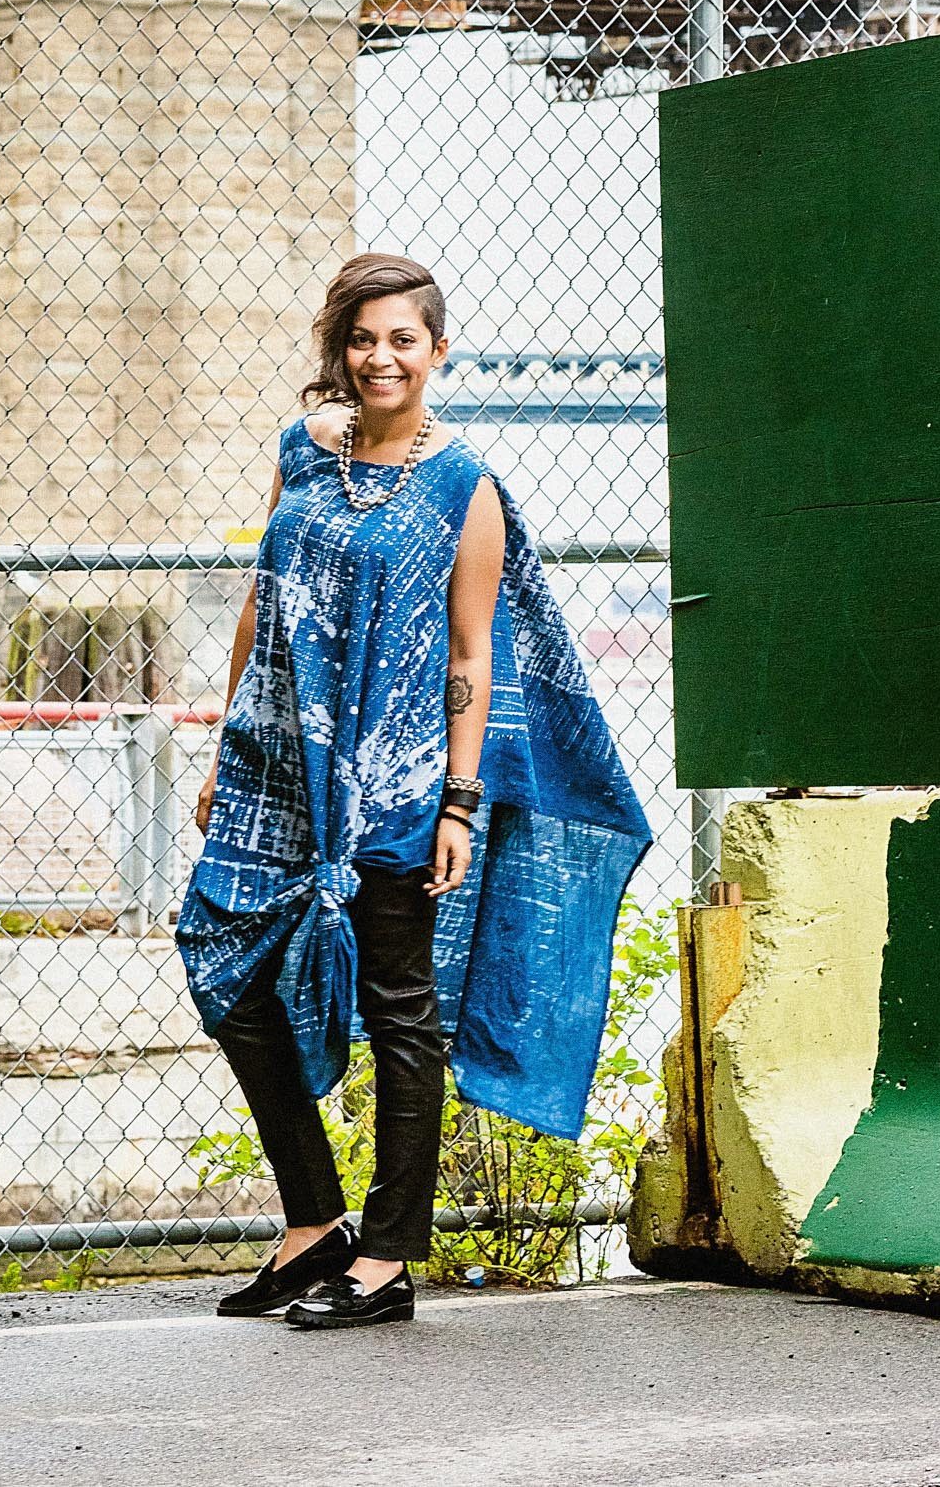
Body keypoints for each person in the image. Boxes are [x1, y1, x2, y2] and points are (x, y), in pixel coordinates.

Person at [177, 252, 650, 1331]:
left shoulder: (463, 485)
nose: (380, 358)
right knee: (217, 954)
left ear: (439, 351)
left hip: (394, 777)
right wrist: (222, 743)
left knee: (401, 1008)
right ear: (339, 350)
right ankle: (313, 1227)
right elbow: (265, 598)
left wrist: (459, 801)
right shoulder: (304, 450)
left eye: (403, 339)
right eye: (362, 338)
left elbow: (473, 660)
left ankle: (387, 1259)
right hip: (274, 760)